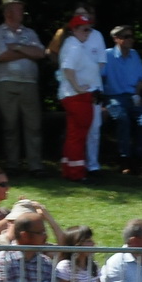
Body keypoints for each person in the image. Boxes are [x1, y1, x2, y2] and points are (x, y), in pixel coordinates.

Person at [0, 0, 48, 174]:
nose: (22, 10)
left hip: (29, 83)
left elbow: (40, 53)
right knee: (10, 125)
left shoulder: (29, 33)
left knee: (34, 125)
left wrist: (18, 47)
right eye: (18, 7)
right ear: (8, 11)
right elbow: (1, 55)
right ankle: (13, 165)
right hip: (6, 84)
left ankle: (35, 165)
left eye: (21, 7)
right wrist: (27, 52)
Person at [57, 15, 101, 180]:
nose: (88, 33)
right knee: (79, 136)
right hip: (77, 98)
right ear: (73, 29)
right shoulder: (74, 46)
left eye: (89, 29)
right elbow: (68, 69)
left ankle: (69, 169)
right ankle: (77, 173)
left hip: (75, 96)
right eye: (84, 29)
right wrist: (78, 88)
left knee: (73, 134)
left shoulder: (73, 44)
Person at [101, 25, 142, 172]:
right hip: (113, 97)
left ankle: (138, 158)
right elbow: (99, 78)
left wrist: (137, 94)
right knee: (123, 119)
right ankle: (124, 159)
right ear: (116, 39)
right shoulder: (107, 55)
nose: (130, 39)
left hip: (132, 96)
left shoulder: (135, 55)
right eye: (126, 36)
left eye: (131, 36)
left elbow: (141, 79)